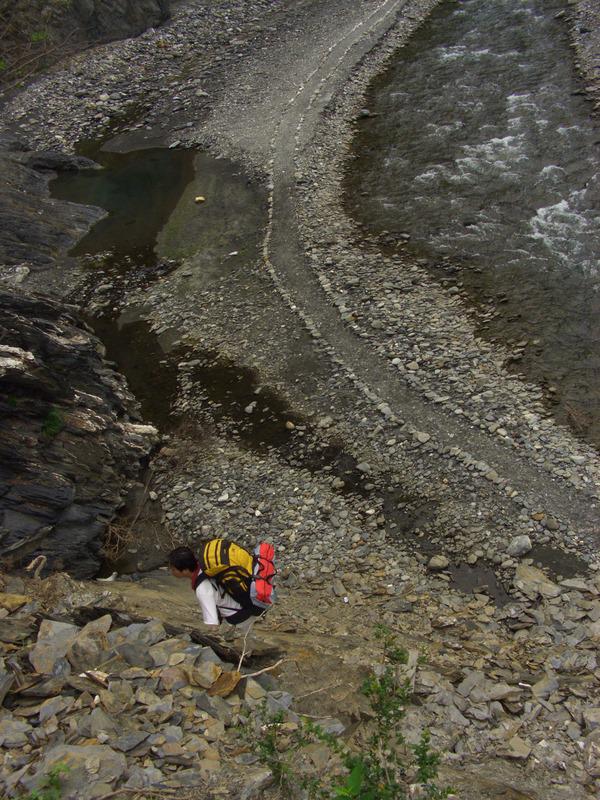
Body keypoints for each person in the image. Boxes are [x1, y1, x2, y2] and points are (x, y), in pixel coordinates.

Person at [168, 544, 258, 636]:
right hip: (245, 605)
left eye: (173, 569)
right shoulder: (207, 567)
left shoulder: (202, 589)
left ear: (185, 570)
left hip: (240, 618)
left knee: (247, 641)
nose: (171, 571)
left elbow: (213, 623)